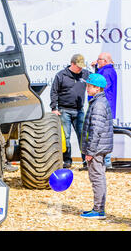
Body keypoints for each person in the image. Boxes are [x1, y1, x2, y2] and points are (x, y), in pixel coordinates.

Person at [80, 73, 113, 219]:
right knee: (98, 177)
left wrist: (90, 151)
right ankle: (97, 208)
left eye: (89, 85)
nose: (86, 88)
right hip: (99, 148)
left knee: (97, 178)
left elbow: (96, 130)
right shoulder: (98, 101)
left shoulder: (98, 104)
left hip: (97, 149)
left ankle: (98, 210)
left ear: (97, 88)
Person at [50, 54, 90, 169]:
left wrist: (97, 68)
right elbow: (54, 92)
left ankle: (85, 161)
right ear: (72, 64)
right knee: (65, 137)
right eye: (78, 66)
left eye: (82, 66)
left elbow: (97, 81)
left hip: (79, 110)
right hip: (64, 110)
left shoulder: (86, 74)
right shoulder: (61, 75)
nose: (80, 69)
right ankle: (67, 161)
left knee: (82, 136)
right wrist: (54, 108)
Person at [90, 52, 117, 169]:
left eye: (98, 59)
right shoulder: (109, 71)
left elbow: (99, 87)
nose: (96, 61)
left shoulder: (106, 72)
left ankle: (106, 162)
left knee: (102, 134)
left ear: (105, 61)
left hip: (103, 107)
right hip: (107, 107)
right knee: (104, 133)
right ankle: (105, 161)